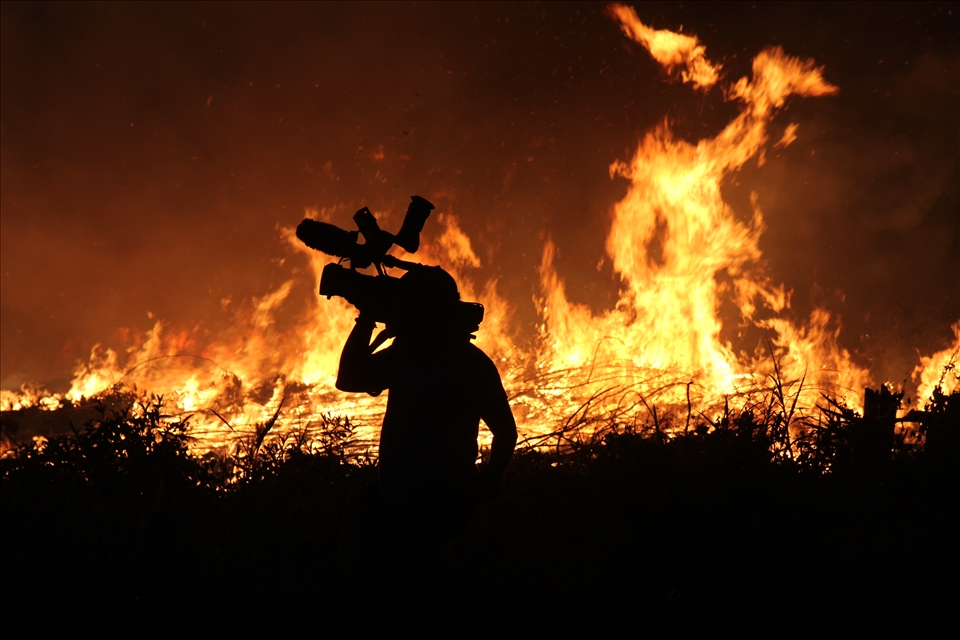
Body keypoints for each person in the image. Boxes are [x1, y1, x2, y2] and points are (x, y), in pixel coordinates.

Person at [336, 265, 518, 567]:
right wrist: (487, 482)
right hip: (446, 499)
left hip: (410, 502)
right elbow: (506, 432)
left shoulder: (408, 356)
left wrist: (367, 316)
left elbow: (350, 378)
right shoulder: (470, 361)